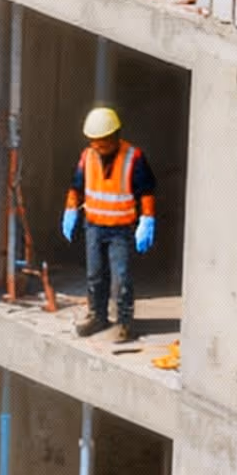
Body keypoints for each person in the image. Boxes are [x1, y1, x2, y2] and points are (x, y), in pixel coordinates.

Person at [61, 105, 155, 343]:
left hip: (120, 230)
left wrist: (147, 219)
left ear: (114, 137)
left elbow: (146, 192)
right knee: (94, 275)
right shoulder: (88, 157)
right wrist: (70, 210)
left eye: (102, 142)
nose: (98, 147)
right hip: (93, 226)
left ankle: (124, 322)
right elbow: (76, 187)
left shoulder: (133, 158)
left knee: (120, 277)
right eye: (94, 142)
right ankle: (97, 316)